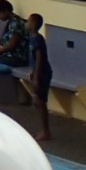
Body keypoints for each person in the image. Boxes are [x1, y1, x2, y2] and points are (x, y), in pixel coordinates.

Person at [26, 12, 55, 142]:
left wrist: (37, 75)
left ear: (32, 24)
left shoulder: (38, 39)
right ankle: (43, 129)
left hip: (42, 73)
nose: (26, 24)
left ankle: (46, 131)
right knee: (36, 101)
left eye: (28, 21)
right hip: (37, 71)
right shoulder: (32, 38)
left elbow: (39, 58)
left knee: (40, 101)